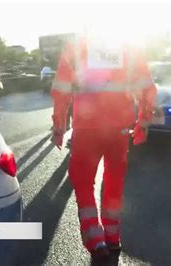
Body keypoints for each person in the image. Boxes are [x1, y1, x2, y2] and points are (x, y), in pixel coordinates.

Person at [50, 35, 157, 261]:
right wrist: (143, 125)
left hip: (87, 131)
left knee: (82, 180)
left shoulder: (76, 49)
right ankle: (112, 236)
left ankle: (95, 239)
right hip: (118, 131)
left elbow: (61, 91)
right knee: (114, 182)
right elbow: (147, 90)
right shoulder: (129, 49)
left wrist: (59, 128)